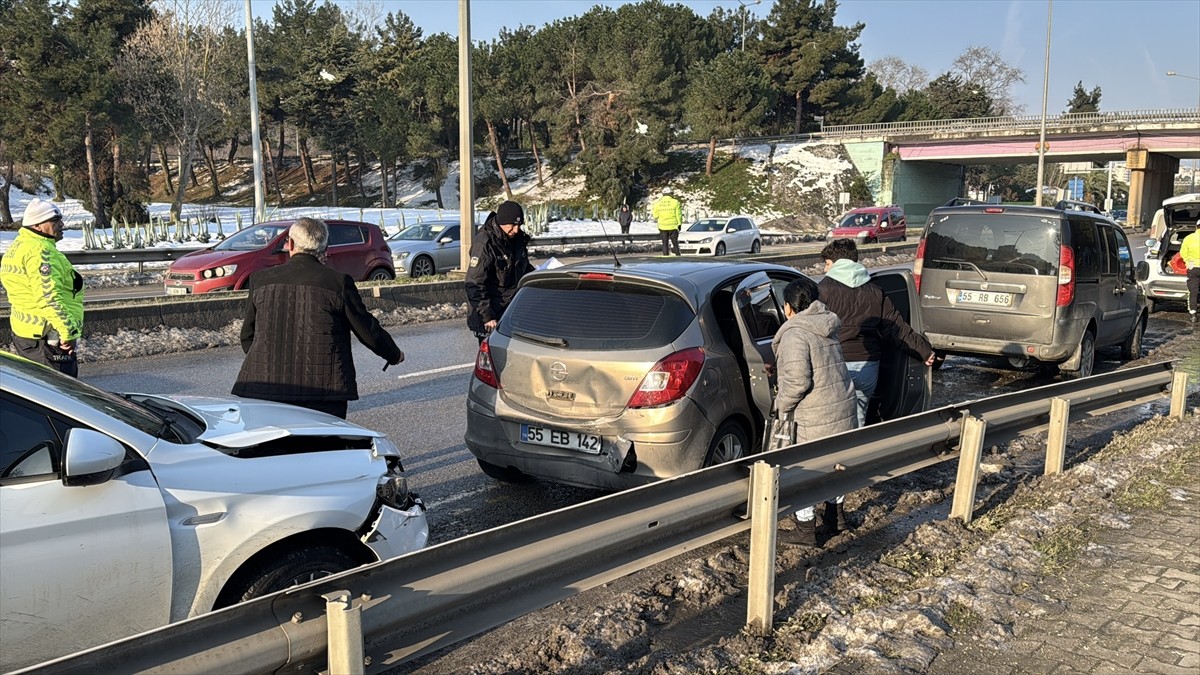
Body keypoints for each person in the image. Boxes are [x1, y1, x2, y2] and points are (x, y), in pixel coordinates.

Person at [231, 217, 403, 419]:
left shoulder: (260, 280)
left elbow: (248, 336)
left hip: (263, 388)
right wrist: (393, 354)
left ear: (290, 244)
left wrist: (266, 362)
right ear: (324, 247)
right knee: (322, 440)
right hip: (323, 392)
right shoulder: (338, 283)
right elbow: (366, 329)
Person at [767, 277, 859, 547]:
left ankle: (805, 531)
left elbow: (798, 382)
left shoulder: (795, 333)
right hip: (840, 405)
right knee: (835, 462)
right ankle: (835, 517)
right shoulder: (826, 325)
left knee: (804, 470)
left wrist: (780, 406)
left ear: (787, 307)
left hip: (814, 414)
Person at [818, 238, 935, 427]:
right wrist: (924, 351)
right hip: (868, 366)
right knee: (859, 419)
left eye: (827, 264)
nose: (825, 269)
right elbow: (896, 327)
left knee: (833, 419)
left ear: (835, 263)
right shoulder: (875, 291)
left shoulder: (822, 291)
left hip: (836, 364)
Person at [0, 198, 84, 377]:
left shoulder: (18, 247)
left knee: (36, 388)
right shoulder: (41, 253)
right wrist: (68, 332)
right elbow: (49, 298)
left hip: (26, 334)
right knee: (62, 391)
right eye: (55, 220)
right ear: (37, 225)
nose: (61, 224)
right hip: (47, 338)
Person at [465, 200, 534, 343]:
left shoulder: (518, 240)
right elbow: (474, 283)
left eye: (519, 225)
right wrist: (488, 316)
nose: (516, 230)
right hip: (491, 316)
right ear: (502, 222)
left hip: (512, 312)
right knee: (494, 354)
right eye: (513, 225)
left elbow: (523, 269)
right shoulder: (485, 243)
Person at [651, 187, 682, 256]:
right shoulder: (675, 202)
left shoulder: (657, 203)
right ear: (670, 194)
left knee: (664, 243)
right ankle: (678, 257)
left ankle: (666, 258)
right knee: (675, 243)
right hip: (673, 226)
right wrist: (679, 224)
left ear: (663, 194)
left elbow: (655, 215)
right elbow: (678, 215)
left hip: (662, 226)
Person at [1182, 227, 1200, 324]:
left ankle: (1193, 315)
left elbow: (1183, 253)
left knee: (1193, 291)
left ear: (1196, 227)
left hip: (1193, 267)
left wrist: (1188, 262)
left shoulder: (1189, 238)